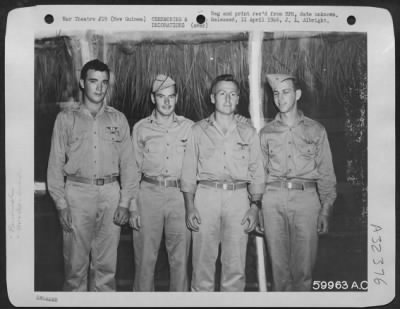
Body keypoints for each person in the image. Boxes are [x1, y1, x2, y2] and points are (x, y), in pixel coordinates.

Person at [47, 59, 136, 291]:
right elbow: (55, 165)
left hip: (110, 193)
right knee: (75, 268)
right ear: (82, 83)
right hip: (77, 194)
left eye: (104, 82)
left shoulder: (118, 119)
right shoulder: (66, 119)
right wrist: (60, 204)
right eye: (93, 81)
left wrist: (125, 202)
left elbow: (128, 165)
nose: (99, 88)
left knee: (106, 269)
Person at [181, 74, 265, 291]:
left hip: (238, 199)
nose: (227, 99)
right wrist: (190, 206)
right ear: (212, 98)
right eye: (222, 93)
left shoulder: (249, 132)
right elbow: (189, 172)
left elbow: (257, 172)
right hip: (206, 197)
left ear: (238, 99)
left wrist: (255, 207)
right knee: (202, 267)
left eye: (232, 94)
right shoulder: (197, 130)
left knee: (235, 268)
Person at [260, 74, 337, 291]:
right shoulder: (266, 133)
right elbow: (258, 174)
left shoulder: (316, 130)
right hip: (273, 199)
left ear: (298, 94)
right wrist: (257, 206)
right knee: (279, 272)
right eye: (276, 93)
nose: (280, 98)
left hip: (306, 200)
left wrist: (326, 209)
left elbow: (326, 173)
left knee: (304, 271)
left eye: (286, 92)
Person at [128, 74, 193, 291]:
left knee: (180, 261)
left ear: (177, 98)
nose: (166, 102)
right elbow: (132, 171)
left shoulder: (190, 128)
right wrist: (132, 206)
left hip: (179, 198)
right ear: (152, 98)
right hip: (148, 195)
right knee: (145, 261)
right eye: (161, 96)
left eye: (171, 97)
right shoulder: (140, 128)